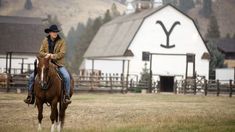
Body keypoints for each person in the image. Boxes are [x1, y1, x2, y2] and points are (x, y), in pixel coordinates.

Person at [24, 24, 71, 104]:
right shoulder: (45, 41)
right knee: (32, 77)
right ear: (49, 33)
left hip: (58, 64)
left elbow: (62, 53)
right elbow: (41, 52)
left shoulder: (62, 42)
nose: (55, 33)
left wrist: (52, 56)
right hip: (45, 63)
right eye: (53, 32)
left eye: (56, 32)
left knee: (66, 77)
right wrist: (47, 55)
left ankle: (66, 96)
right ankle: (30, 96)